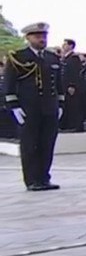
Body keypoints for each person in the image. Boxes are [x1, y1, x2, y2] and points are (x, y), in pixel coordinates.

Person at [3, 22, 64, 191]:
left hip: (49, 108)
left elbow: (59, 84)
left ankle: (44, 177)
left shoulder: (52, 57)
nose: (41, 39)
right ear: (28, 38)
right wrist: (14, 106)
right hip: (28, 109)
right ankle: (32, 180)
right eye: (37, 36)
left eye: (44, 36)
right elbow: (9, 85)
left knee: (47, 144)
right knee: (30, 145)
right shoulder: (18, 57)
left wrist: (60, 103)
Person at [58, 39, 85, 132]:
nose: (63, 46)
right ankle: (69, 125)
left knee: (75, 106)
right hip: (65, 86)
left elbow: (75, 72)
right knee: (69, 106)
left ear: (71, 46)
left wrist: (72, 85)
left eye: (65, 44)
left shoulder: (74, 58)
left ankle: (77, 126)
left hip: (72, 87)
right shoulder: (66, 57)